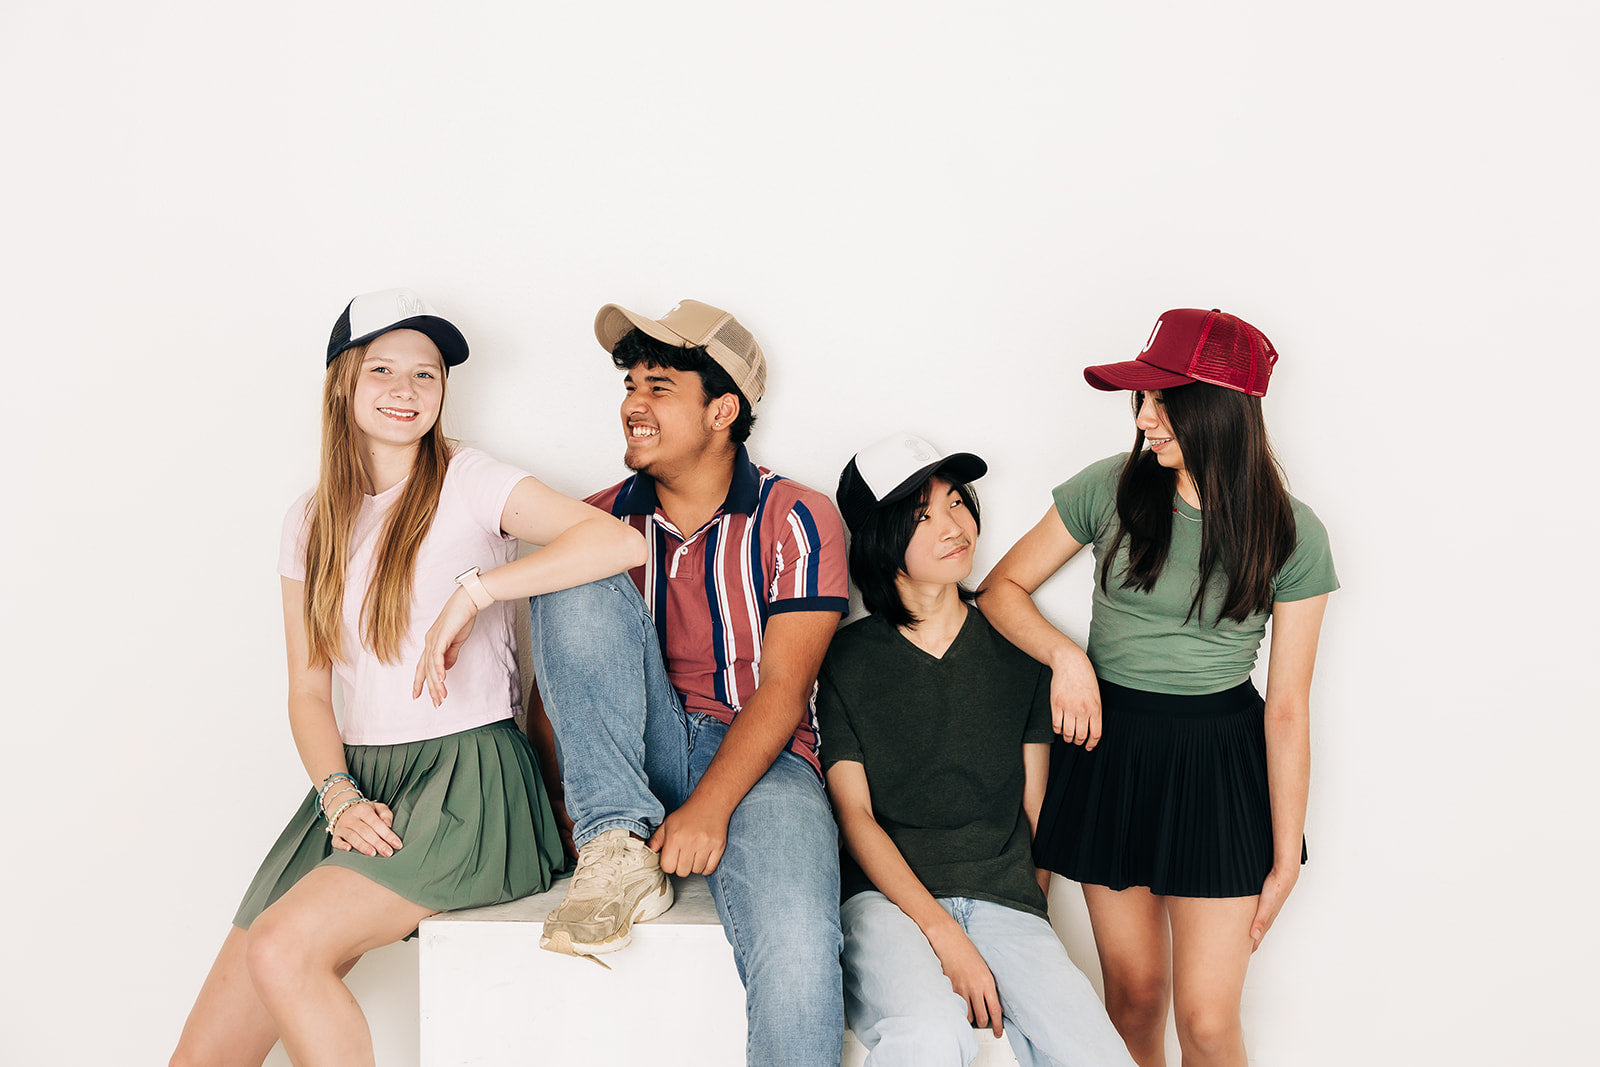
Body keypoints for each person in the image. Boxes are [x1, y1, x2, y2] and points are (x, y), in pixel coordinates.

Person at [170, 288, 645, 1067]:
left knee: (286, 947)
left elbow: (617, 544)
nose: (406, 390)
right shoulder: (310, 518)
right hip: (358, 785)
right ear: (342, 384)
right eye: (383, 369)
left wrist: (477, 590)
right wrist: (337, 791)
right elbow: (306, 689)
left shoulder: (471, 478)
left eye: (425, 375)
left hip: (471, 782)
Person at [977, 309, 1337, 1067]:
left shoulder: (1294, 534)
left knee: (1206, 1020)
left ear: (1219, 409)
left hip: (1220, 763)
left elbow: (1291, 706)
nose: (1143, 418)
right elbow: (1002, 588)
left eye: (1162, 399)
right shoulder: (1109, 489)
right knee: (1134, 997)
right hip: (1112, 751)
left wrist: (1283, 855)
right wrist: (1067, 660)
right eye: (1140, 400)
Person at [522, 299, 848, 1067]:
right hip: (637, 755)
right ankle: (615, 843)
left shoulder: (798, 515)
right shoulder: (602, 517)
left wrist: (708, 808)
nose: (633, 404)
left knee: (800, 947)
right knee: (574, 556)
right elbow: (559, 689)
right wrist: (569, 809)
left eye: (659, 387)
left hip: (762, 758)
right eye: (629, 385)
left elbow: (785, 688)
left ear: (722, 410)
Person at [817, 432, 1137, 1067]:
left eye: (956, 501)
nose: (953, 524)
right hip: (886, 905)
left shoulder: (1020, 653)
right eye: (922, 515)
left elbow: (1036, 810)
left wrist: (1026, 916)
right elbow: (854, 818)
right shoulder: (846, 660)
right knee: (932, 1037)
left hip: (1004, 900)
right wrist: (943, 935)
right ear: (881, 542)